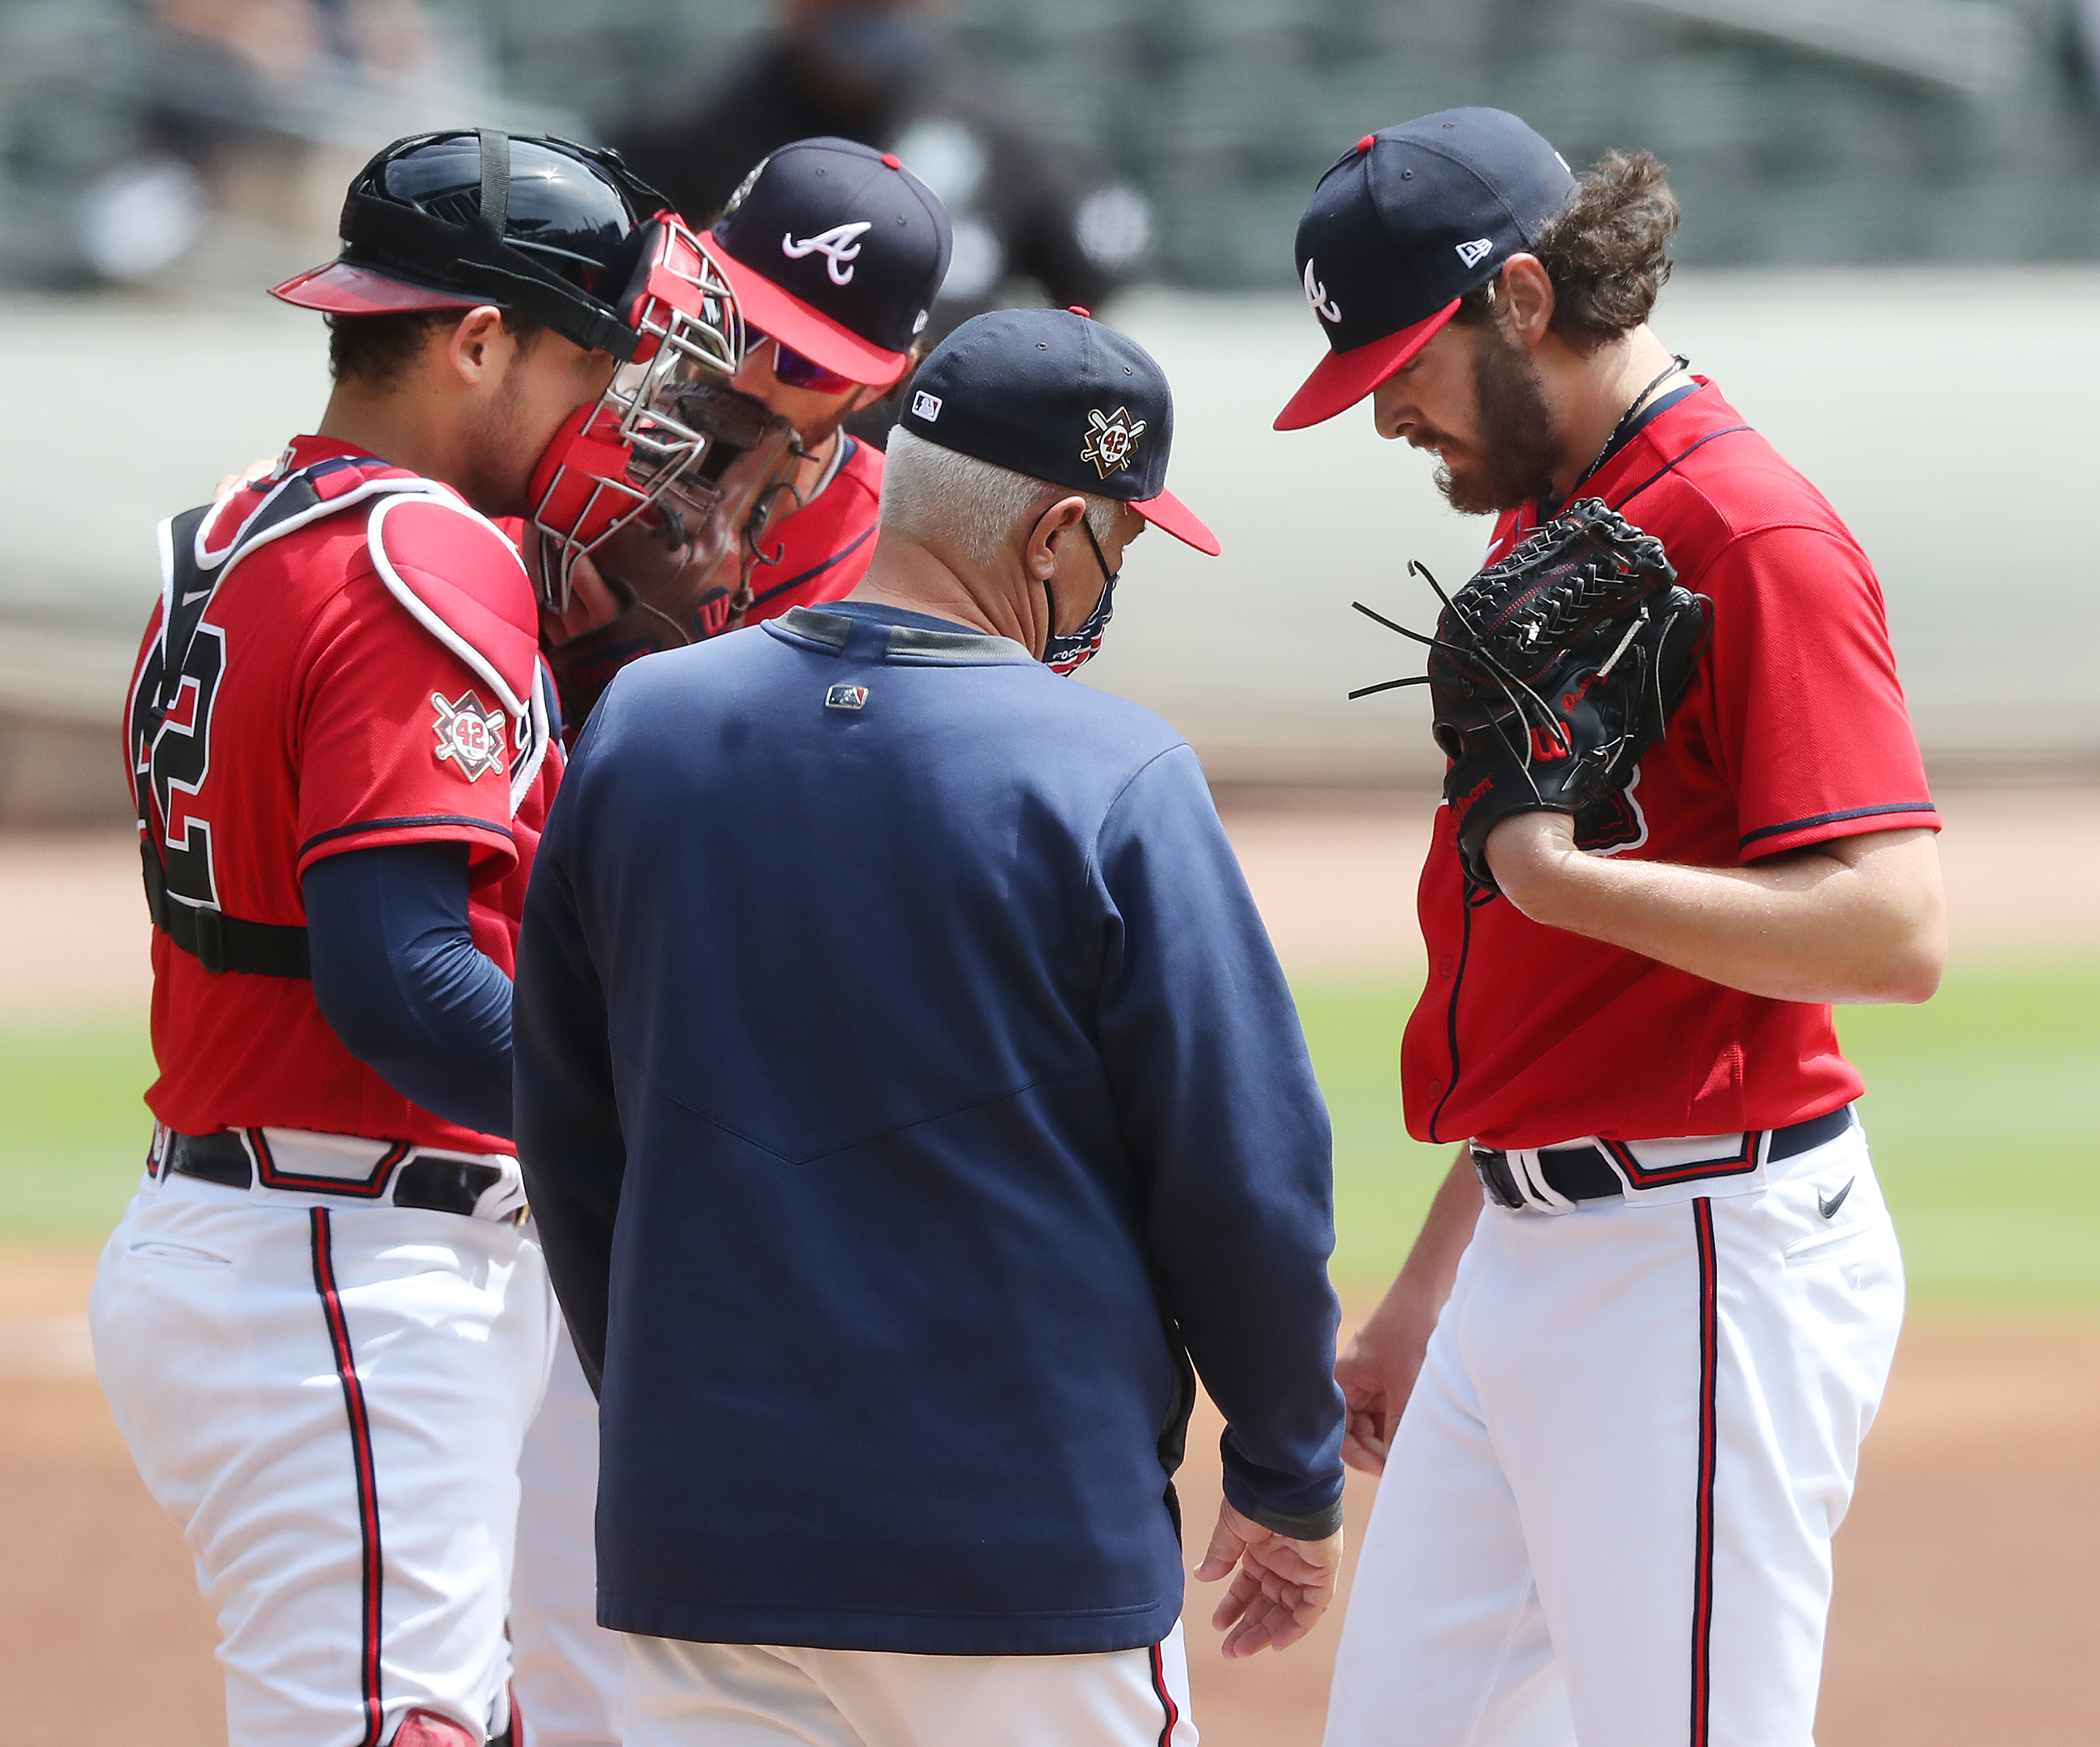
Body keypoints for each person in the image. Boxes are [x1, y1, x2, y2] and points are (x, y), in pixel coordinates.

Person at [514, 306, 1346, 1747]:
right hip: (1019, 1557)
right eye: (1119, 544)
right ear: (1054, 531)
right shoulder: (1112, 770)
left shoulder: (640, 729)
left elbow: (570, 1140)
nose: (1110, 581)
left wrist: (673, 1410)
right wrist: (1289, 1471)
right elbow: (1244, 1173)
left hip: (705, 1545)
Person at [1274, 109, 1946, 1747]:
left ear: (1516, 297)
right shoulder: (1551, 516)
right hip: (1532, 1242)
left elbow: (1895, 924)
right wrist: (1437, 1270)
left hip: (1698, 1256)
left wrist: (1559, 873)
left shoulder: (1747, 529)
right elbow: (1549, 981)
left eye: (1395, 366)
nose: (1384, 417)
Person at [91, 128, 747, 1747]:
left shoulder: (243, 528)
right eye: (593, 357)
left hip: (294, 1226)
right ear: (474, 342)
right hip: (346, 1258)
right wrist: (681, 1125)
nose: (622, 406)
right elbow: (403, 977)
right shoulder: (421, 552)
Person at [613, 0, 1150, 366]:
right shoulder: (694, 132)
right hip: (742, 458)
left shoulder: (997, 131)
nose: (865, 12)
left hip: (923, 481)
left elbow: (1090, 282)